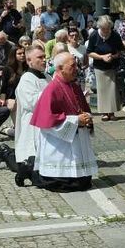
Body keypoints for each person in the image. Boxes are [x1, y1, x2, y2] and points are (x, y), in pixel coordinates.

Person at [23, 52, 97, 191]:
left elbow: (82, 109)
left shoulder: (74, 86)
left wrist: (86, 118)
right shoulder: (52, 89)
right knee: (62, 183)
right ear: (60, 68)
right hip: (59, 147)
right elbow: (48, 122)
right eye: (72, 66)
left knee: (83, 182)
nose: (77, 69)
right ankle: (28, 169)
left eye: (76, 65)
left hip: (76, 143)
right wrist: (76, 121)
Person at [1, 41, 50, 181]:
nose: (44, 60)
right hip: (32, 126)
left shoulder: (47, 76)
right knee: (26, 164)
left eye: (44, 56)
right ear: (29, 61)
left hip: (45, 124)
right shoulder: (26, 80)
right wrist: (51, 93)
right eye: (40, 57)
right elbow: (33, 103)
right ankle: (5, 153)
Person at [86, 16, 125, 121]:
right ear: (100, 27)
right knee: (102, 90)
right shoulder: (94, 35)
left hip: (112, 66)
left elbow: (120, 51)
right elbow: (89, 52)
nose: (106, 31)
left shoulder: (115, 35)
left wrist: (112, 56)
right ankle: (104, 113)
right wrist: (101, 57)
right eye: (104, 29)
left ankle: (112, 112)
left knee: (112, 90)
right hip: (99, 66)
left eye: (108, 28)